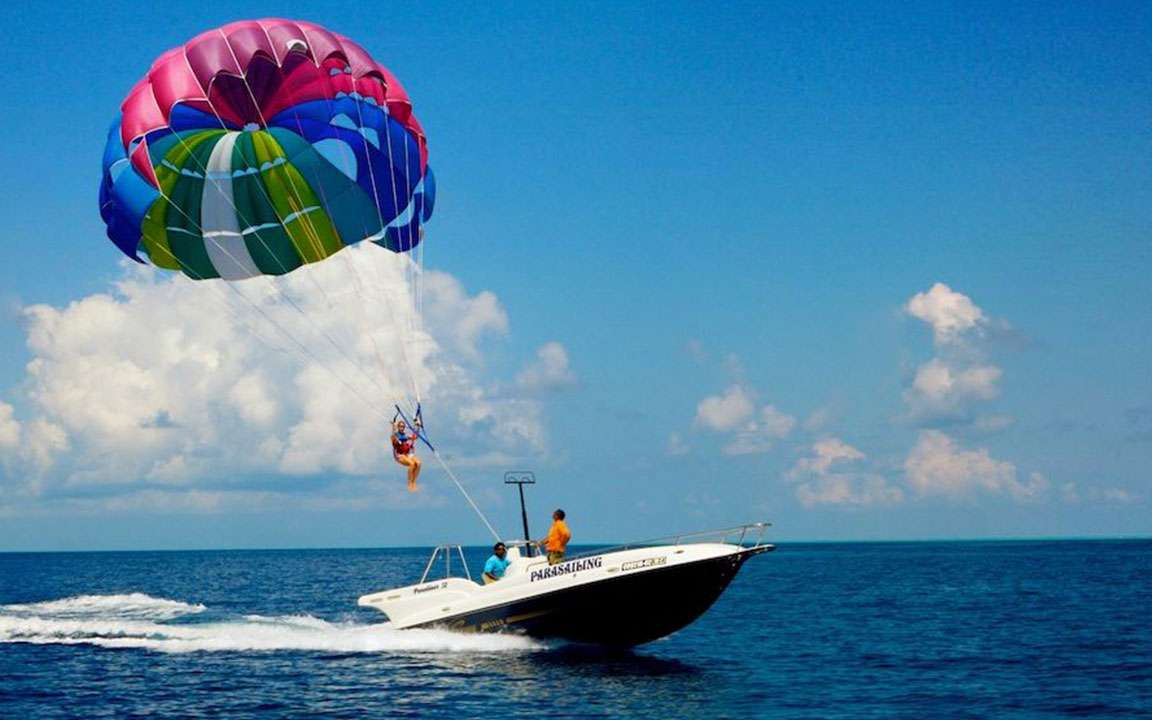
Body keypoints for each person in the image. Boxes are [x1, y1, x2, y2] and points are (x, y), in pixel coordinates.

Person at [391, 419, 422, 492]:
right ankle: (409, 483)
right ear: (398, 427)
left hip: (407, 454)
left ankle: (414, 481)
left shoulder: (405, 435)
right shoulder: (395, 435)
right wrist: (393, 427)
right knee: (412, 464)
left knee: (419, 463)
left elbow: (415, 437)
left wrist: (418, 427)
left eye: (403, 426)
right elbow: (394, 437)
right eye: (400, 426)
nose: (402, 428)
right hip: (400, 455)